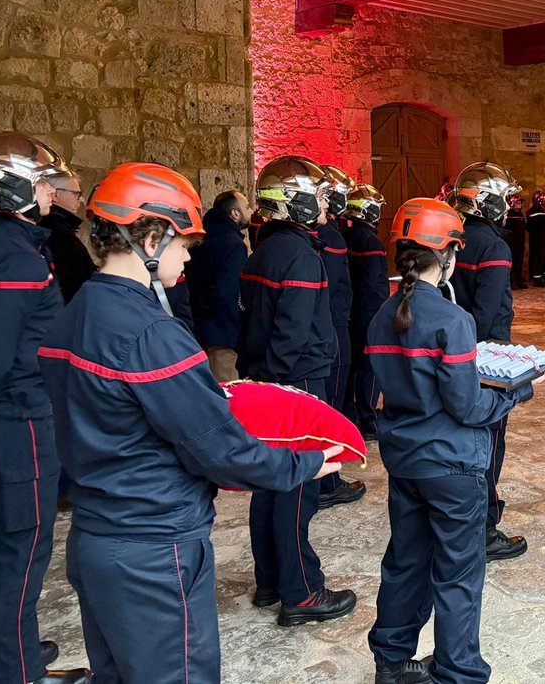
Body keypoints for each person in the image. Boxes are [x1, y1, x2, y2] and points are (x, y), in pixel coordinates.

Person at [39, 162, 340, 684]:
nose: (187, 258)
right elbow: (220, 449)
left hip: (95, 535)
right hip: (154, 548)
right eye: (183, 245)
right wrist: (305, 463)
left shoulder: (75, 310)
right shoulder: (152, 333)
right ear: (150, 236)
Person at [366, 198, 538, 684]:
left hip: (405, 460)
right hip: (453, 465)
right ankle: (458, 671)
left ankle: (392, 660)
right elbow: (467, 408)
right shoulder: (453, 321)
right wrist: (516, 392)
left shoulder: (383, 315)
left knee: (405, 560)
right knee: (459, 573)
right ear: (448, 257)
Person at [0, 132, 90, 684]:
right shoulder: (14, 254)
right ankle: (14, 672)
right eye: (43, 182)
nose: (50, 192)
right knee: (24, 545)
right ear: (12, 186)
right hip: (18, 417)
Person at [238, 156, 357, 626]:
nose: (327, 203)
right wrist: (288, 391)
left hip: (270, 376)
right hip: (299, 379)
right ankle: (301, 591)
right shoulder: (302, 255)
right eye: (320, 194)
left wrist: (262, 381)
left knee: (268, 483)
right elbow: (292, 330)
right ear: (296, 201)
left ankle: (269, 579)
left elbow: (250, 323)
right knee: (297, 488)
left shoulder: (264, 250)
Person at [447, 162, 527, 563]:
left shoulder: (454, 234)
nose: (510, 206)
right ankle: (484, 526)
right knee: (491, 442)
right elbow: (487, 309)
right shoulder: (494, 246)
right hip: (486, 352)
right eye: (505, 199)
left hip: (453, 348)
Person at [317, 166, 366, 511]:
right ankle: (328, 482)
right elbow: (337, 290)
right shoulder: (330, 238)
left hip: (328, 330)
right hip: (332, 332)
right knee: (330, 405)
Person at [185, 190, 251, 382]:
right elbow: (227, 290)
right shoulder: (234, 244)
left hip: (195, 327)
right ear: (235, 214)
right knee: (226, 388)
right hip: (222, 330)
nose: (251, 210)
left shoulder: (200, 237)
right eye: (246, 207)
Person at [343, 183, 389, 436]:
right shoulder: (370, 240)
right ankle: (369, 420)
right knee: (371, 368)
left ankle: (351, 414)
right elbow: (370, 282)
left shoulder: (347, 235)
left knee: (353, 366)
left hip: (352, 311)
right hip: (369, 312)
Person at [39, 168, 95, 303]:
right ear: (55, 194)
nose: (81, 199)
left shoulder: (57, 227)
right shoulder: (57, 232)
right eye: (76, 194)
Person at [526, 190, 545, 287]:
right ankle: (537, 279)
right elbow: (530, 227)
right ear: (541, 201)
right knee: (539, 259)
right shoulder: (534, 212)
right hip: (538, 240)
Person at [503, 194, 527, 290]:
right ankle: (510, 281)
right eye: (517, 202)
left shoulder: (521, 214)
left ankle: (519, 280)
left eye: (520, 203)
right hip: (511, 243)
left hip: (520, 242)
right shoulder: (509, 215)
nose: (519, 204)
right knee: (512, 263)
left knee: (519, 262)